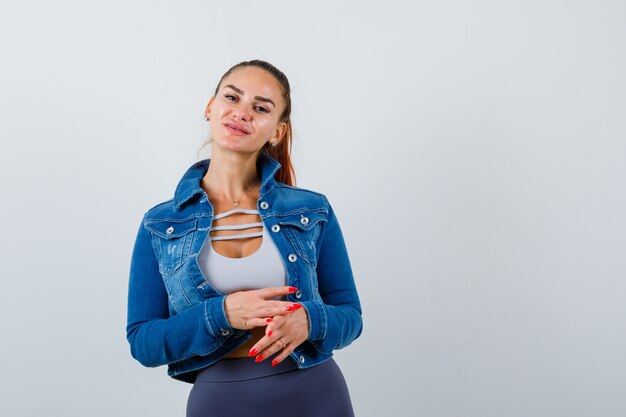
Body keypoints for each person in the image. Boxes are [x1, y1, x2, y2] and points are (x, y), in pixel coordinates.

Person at [126, 59, 363, 417]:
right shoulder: (160, 223)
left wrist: (311, 320)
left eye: (260, 107)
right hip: (220, 401)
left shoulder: (312, 209)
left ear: (277, 131)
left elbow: (350, 315)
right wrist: (220, 314)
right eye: (232, 98)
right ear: (210, 107)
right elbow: (143, 342)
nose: (242, 113)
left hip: (314, 392)